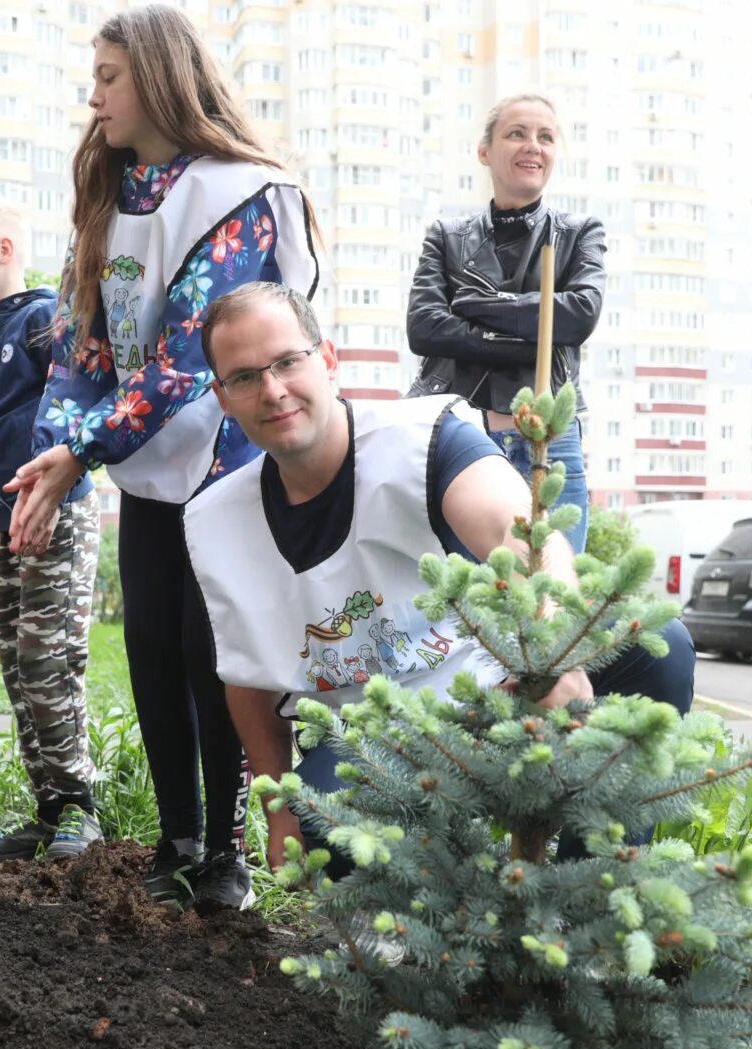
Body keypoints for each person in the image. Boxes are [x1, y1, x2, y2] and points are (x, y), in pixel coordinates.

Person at [182, 283, 693, 874]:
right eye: (244, 377)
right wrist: (280, 813)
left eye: (288, 362)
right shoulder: (219, 522)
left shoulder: (423, 441)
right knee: (328, 829)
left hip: (494, 684)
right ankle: (438, 928)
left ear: (326, 361)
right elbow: (247, 682)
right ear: (222, 397)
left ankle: (596, 888)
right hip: (371, 737)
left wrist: (552, 653)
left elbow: (525, 537)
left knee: (661, 650)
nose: (273, 390)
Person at [1, 4, 321, 909]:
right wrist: (55, 454)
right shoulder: (113, 193)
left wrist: (83, 452)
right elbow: (81, 345)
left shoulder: (237, 192)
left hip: (227, 454)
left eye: (108, 77)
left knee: (207, 649)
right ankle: (177, 837)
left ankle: (228, 848)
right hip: (147, 465)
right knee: (146, 644)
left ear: (160, 76)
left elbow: (190, 356)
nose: (93, 95)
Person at [0, 206, 103, 864]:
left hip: (57, 516)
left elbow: (74, 401)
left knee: (50, 661)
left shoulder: (44, 320)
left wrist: (55, 486)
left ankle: (80, 809)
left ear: (4, 248)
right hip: (7, 525)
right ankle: (50, 810)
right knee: (16, 665)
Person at [406, 94, 606, 553]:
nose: (531, 145)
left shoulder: (579, 234)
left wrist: (475, 303)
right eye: (516, 133)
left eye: (545, 136)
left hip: (548, 443)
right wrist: (534, 338)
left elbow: (580, 315)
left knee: (550, 596)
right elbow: (424, 328)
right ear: (484, 151)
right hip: (462, 437)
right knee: (466, 604)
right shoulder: (446, 237)